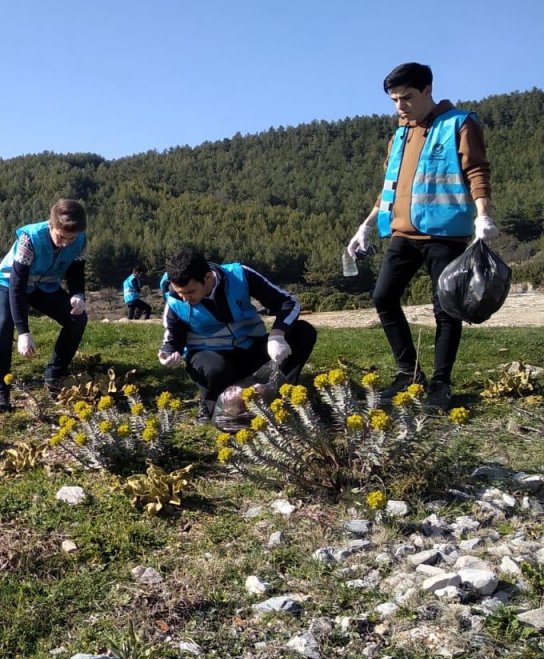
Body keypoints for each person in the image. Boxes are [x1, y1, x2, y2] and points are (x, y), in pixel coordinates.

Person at [346, 62, 496, 411]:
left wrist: (483, 215)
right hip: (402, 232)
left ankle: (440, 385)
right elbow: (390, 187)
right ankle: (409, 373)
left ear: (427, 89)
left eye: (406, 97)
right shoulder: (400, 133)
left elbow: (476, 170)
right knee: (384, 297)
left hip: (445, 235)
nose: (400, 106)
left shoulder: (459, 123)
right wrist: (365, 225)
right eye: (394, 100)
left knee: (446, 309)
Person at [158, 249, 318, 424]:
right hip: (210, 357)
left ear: (208, 278)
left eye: (190, 292)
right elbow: (173, 339)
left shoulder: (239, 275)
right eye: (180, 292)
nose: (184, 298)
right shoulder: (174, 300)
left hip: (250, 347)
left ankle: (281, 393)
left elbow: (288, 302)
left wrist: (277, 335)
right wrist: (168, 353)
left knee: (302, 332)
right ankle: (209, 403)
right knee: (216, 371)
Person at [0, 199, 90, 412]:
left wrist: (77, 295)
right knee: (3, 327)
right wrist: (23, 332)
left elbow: (75, 271)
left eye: (71, 239)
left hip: (45, 286)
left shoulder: (79, 239)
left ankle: (54, 376)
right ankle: (1, 392)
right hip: (9, 284)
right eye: (61, 237)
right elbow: (17, 287)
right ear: (51, 225)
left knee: (78, 319)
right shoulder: (30, 238)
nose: (65, 243)